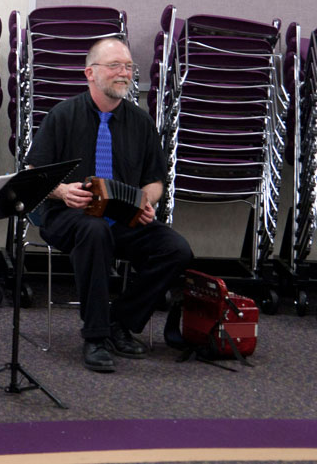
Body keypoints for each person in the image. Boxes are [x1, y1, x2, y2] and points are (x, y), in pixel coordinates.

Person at [25, 38, 193, 373]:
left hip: (123, 216)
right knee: (94, 229)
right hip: (68, 215)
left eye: (129, 67)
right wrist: (61, 191)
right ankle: (96, 336)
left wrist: (147, 200)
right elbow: (33, 174)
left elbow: (156, 179)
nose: (124, 73)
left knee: (176, 249)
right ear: (91, 72)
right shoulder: (62, 116)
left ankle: (120, 320)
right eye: (115, 66)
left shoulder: (140, 122)